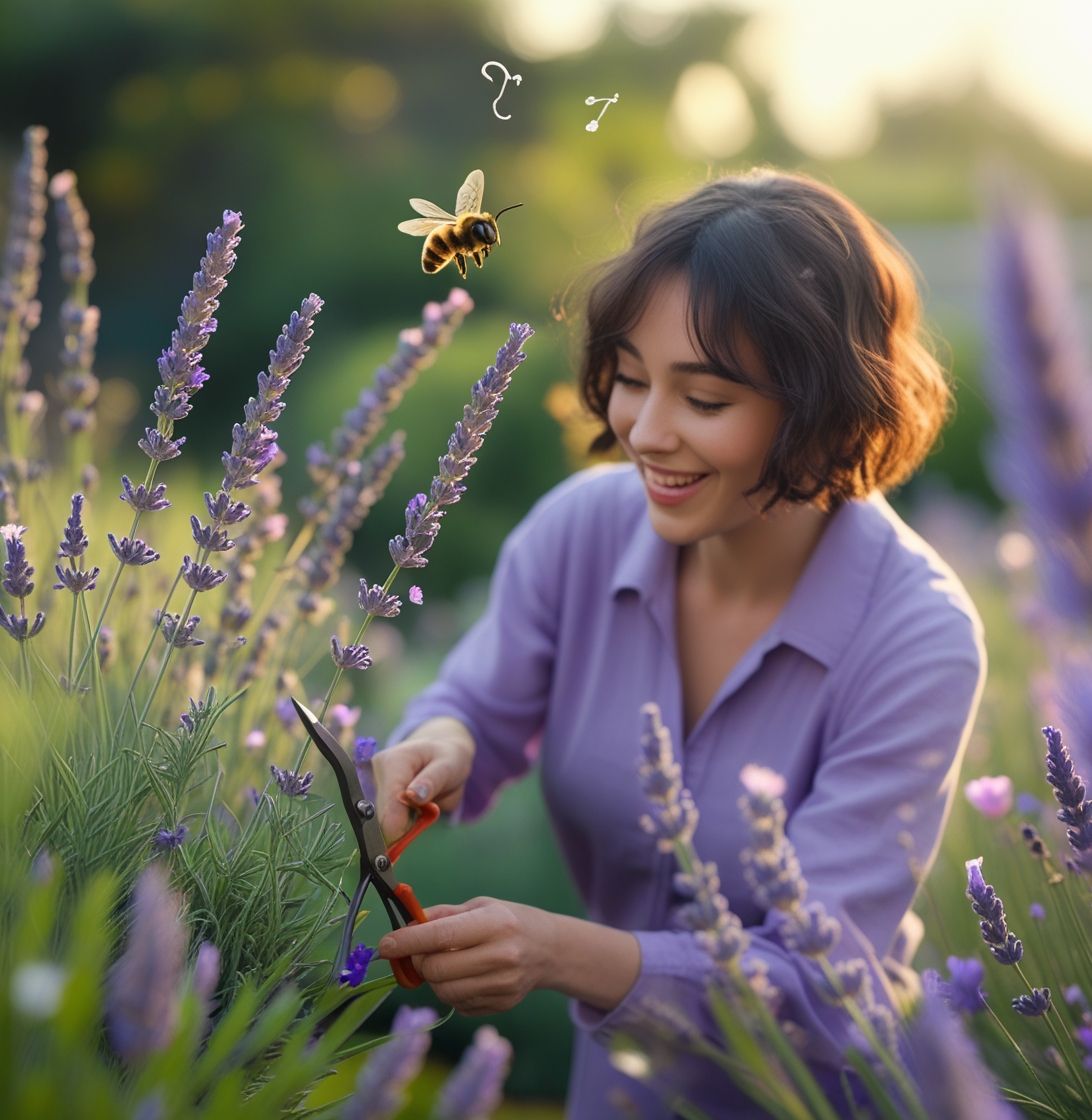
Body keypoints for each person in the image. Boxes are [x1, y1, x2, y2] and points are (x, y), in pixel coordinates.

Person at [373, 171, 986, 1118]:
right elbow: (474, 708)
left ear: (823, 410)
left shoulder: (917, 637)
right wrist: (441, 742)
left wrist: (556, 952)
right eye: (629, 380)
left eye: (702, 399)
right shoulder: (579, 531)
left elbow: (816, 985)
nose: (646, 432)